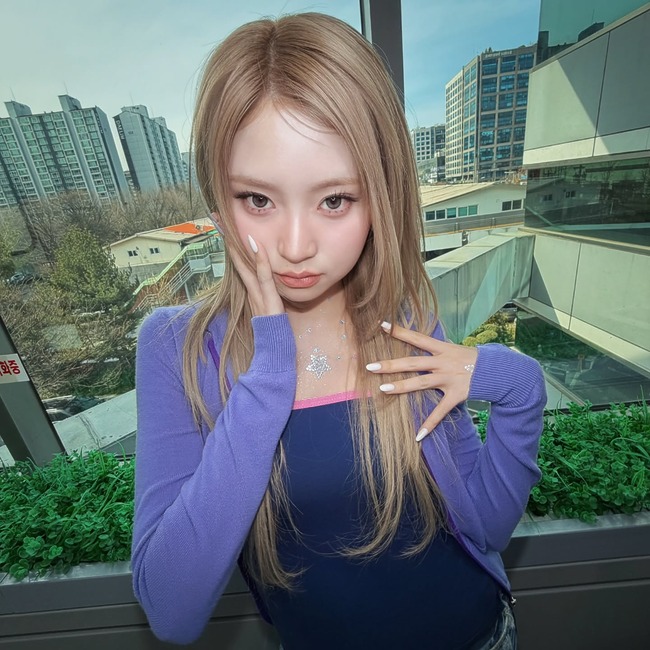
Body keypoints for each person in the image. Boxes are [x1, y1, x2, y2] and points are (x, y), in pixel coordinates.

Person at [132, 12, 546, 650]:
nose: (296, 246)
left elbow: (485, 529)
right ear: (218, 198)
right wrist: (268, 375)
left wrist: (518, 384)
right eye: (258, 200)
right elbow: (171, 610)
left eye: (334, 200)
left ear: (380, 199)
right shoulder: (179, 348)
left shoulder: (402, 317)